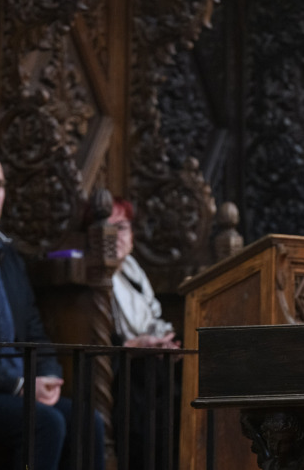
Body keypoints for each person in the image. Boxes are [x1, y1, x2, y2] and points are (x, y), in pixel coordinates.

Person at [0, 147, 105, 470]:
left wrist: (47, 373)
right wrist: (21, 385)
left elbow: (34, 328)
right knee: (46, 423)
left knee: (89, 421)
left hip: (15, 388)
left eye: (0, 184)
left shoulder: (8, 254)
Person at [107, 196, 181, 469]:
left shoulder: (132, 268)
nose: (116, 236)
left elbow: (154, 314)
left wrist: (166, 341)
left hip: (151, 362)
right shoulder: (96, 273)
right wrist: (134, 344)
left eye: (122, 227)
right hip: (121, 372)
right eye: (108, 227)